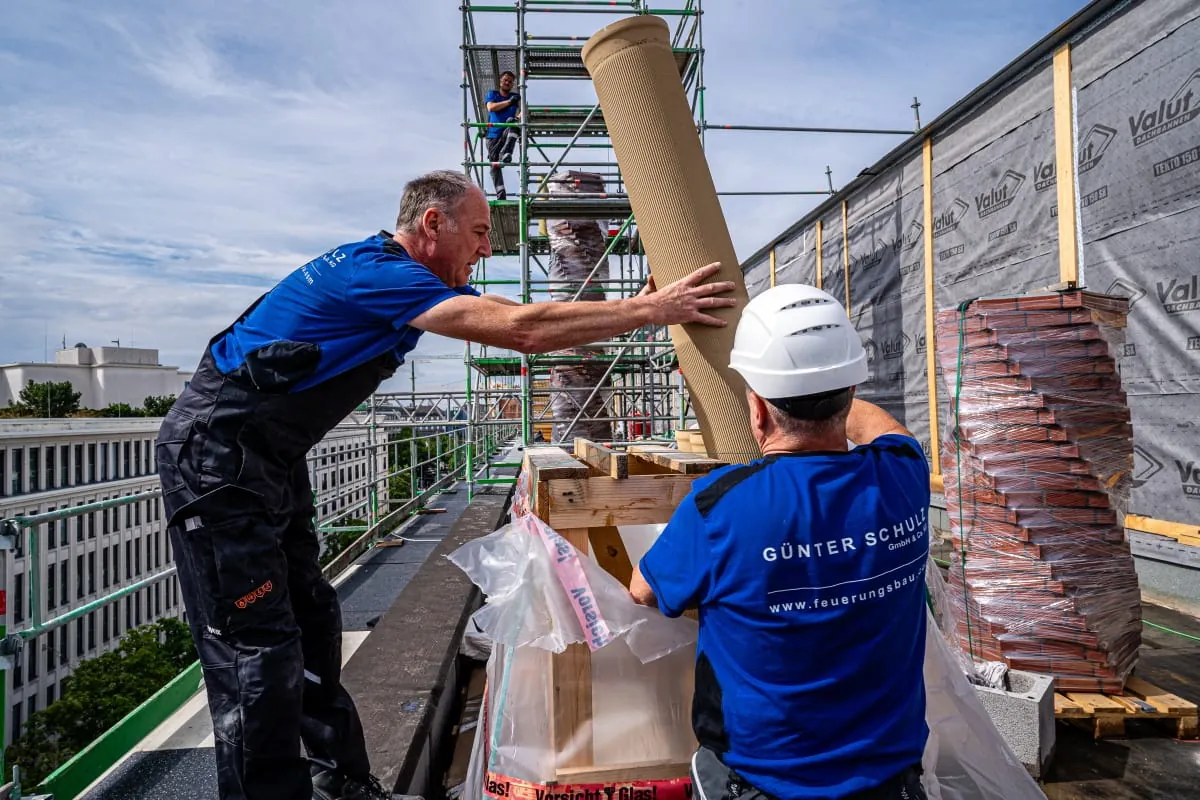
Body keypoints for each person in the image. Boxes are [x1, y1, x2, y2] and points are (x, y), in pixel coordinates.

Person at [155, 169, 735, 800]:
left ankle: (342, 785)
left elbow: (521, 320)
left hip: (265, 457)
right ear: (433, 225)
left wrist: (631, 310)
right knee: (255, 652)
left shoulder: (381, 271)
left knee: (312, 620)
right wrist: (651, 309)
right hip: (219, 459)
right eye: (480, 232)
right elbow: (523, 332)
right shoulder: (378, 273)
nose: (486, 249)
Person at [628, 284, 932, 800]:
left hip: (763, 781)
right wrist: (826, 382)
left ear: (759, 410)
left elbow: (644, 591)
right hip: (890, 781)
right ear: (851, 391)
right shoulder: (905, 478)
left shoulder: (719, 508)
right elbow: (886, 430)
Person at [484, 70, 521, 199]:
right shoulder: (492, 94)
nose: (507, 83)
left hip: (506, 131)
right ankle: (501, 193)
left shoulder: (516, 98)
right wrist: (510, 102)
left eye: (510, 82)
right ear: (500, 81)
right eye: (505, 80)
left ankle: (506, 152)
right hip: (493, 136)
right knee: (494, 166)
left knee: (513, 123)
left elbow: (522, 112)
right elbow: (491, 108)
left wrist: (520, 115)